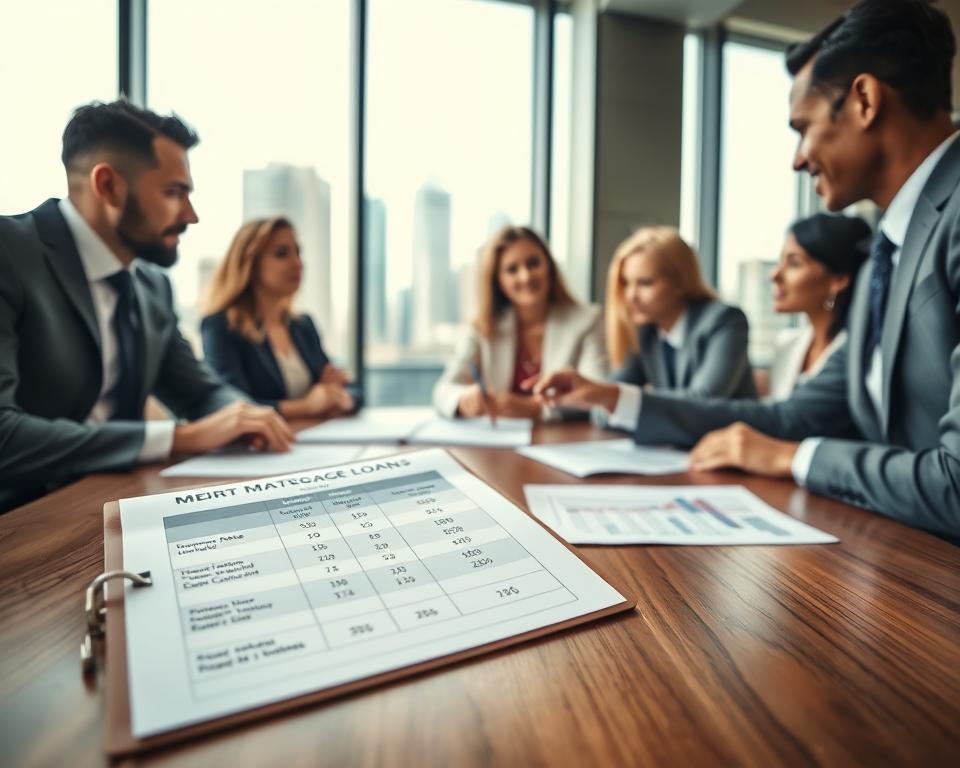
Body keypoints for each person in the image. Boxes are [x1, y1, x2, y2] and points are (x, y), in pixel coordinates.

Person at [531, 0, 960, 540]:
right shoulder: (888, 251)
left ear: (865, 101)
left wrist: (795, 460)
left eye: (803, 128)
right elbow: (788, 420)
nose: (797, 159)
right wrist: (617, 398)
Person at [0, 101, 294, 512]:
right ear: (108, 186)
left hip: (116, 505)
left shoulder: (152, 287)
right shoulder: (9, 253)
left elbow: (198, 390)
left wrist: (242, 416)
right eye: (175, 192)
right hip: (21, 523)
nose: (191, 215)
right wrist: (178, 438)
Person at [432, 225, 606, 420]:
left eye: (533, 263)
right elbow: (443, 391)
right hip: (497, 444)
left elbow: (598, 395)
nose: (526, 276)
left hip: (565, 442)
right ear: (498, 281)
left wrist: (536, 409)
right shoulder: (482, 327)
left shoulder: (588, 320)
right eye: (512, 269)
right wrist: (463, 398)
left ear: (549, 265)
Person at [201, 217, 359, 418]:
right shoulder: (221, 327)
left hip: (311, 437)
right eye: (282, 254)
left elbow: (350, 388)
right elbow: (231, 404)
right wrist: (307, 406)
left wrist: (342, 398)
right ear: (250, 263)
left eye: (298, 252)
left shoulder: (303, 326)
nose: (298, 263)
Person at [603, 226, 756, 399]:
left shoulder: (724, 320)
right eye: (626, 283)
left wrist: (625, 404)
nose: (631, 296)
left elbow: (703, 400)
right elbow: (609, 395)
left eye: (645, 283)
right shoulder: (646, 331)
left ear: (680, 282)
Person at [767, 213, 871, 400]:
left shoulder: (857, 351)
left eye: (794, 263)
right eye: (779, 261)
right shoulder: (786, 345)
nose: (774, 274)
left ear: (838, 279)